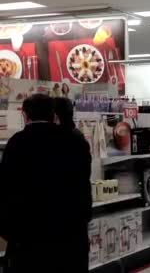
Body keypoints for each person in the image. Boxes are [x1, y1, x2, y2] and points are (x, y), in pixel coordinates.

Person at [0, 94, 92, 272]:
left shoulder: (17, 143)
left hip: (29, 240)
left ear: (25, 115)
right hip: (71, 237)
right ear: (54, 115)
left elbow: (6, 191)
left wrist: (12, 234)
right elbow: (83, 186)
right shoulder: (75, 141)